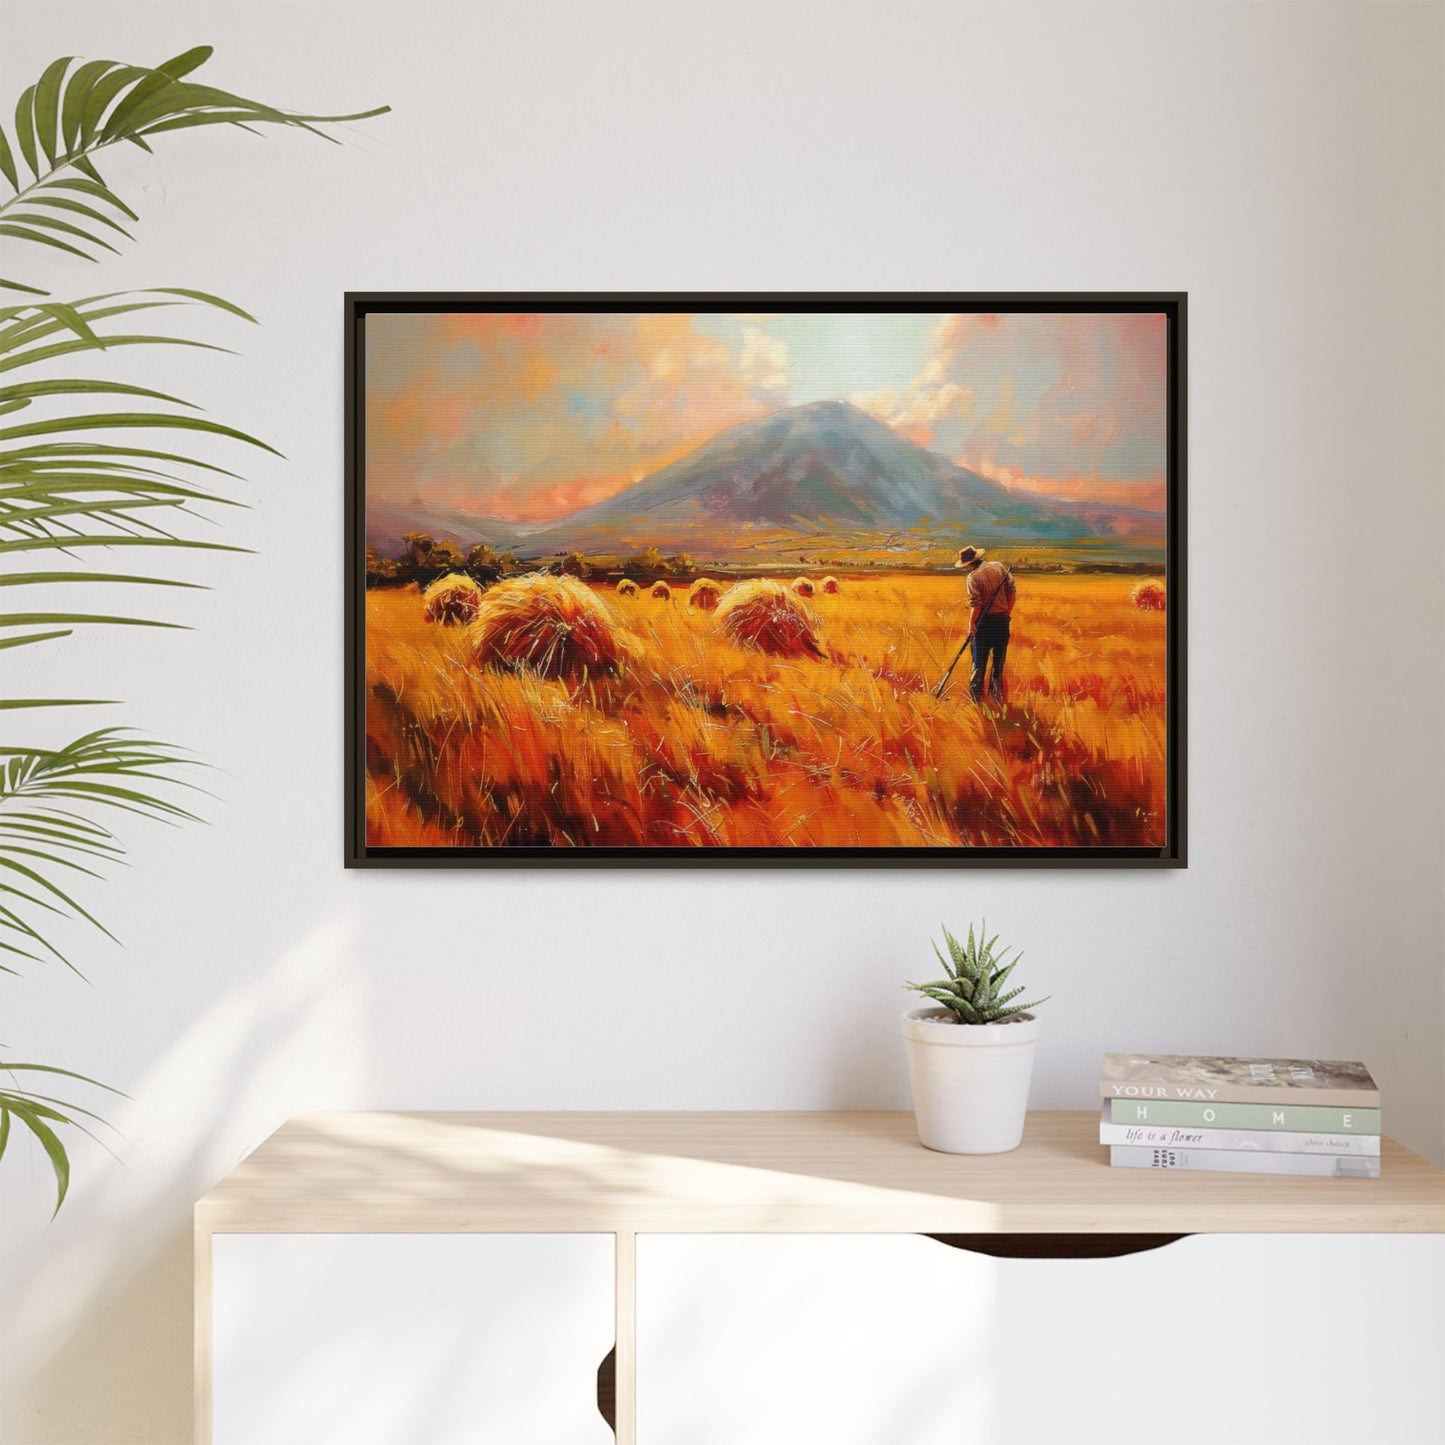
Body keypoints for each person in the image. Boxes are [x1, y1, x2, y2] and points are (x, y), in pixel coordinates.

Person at [955, 545, 1016, 702]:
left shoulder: (973, 578)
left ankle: (977, 702)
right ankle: (997, 699)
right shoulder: (998, 567)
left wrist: (971, 626)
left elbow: (976, 605)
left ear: (968, 564)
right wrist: (1006, 614)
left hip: (984, 624)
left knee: (979, 665)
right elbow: (1012, 592)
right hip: (1002, 622)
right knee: (998, 665)